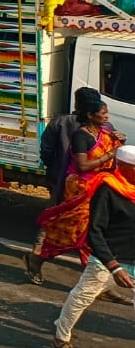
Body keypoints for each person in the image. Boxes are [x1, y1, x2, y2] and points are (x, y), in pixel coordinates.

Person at [27, 91, 127, 284]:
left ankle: (97, 283)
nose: (107, 117)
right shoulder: (80, 135)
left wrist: (118, 143)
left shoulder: (105, 130)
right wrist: (110, 154)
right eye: (103, 113)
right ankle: (37, 258)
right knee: (69, 231)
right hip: (79, 189)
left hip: (96, 187)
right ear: (90, 113)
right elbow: (83, 165)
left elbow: (46, 150)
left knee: (92, 234)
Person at [51, 145, 135, 348]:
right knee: (82, 297)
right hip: (109, 260)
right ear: (124, 167)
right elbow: (95, 232)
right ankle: (61, 339)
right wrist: (114, 266)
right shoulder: (107, 189)